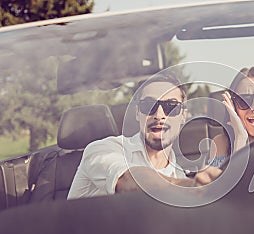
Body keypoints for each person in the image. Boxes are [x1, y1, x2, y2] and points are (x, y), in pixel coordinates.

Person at [68, 73, 220, 199]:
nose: (159, 115)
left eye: (171, 107)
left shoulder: (178, 173)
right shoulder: (103, 150)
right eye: (149, 105)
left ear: (183, 116)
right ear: (137, 113)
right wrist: (190, 187)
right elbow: (128, 181)